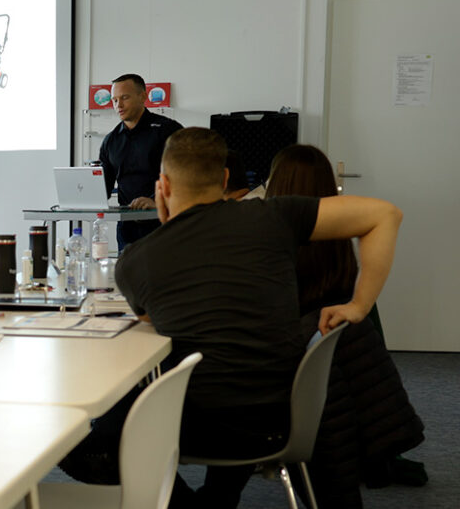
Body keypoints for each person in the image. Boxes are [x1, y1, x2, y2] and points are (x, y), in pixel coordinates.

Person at [62, 128, 402, 508]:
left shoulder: (136, 261)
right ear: (225, 179)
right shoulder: (277, 216)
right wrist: (358, 306)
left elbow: (149, 322)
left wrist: (165, 221)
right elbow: (385, 215)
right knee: (234, 365)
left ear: (164, 185)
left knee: (93, 444)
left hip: (198, 426)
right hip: (283, 418)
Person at [266, 144, 425, 507]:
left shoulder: (278, 236)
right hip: (325, 366)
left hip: (290, 373)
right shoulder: (339, 239)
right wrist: (361, 305)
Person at [98, 73, 181, 248]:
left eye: (124, 98)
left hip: (164, 222)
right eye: (114, 100)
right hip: (127, 228)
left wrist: (156, 200)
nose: (118, 105)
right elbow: (102, 187)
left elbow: (184, 176)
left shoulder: (168, 130)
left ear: (143, 96)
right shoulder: (111, 141)